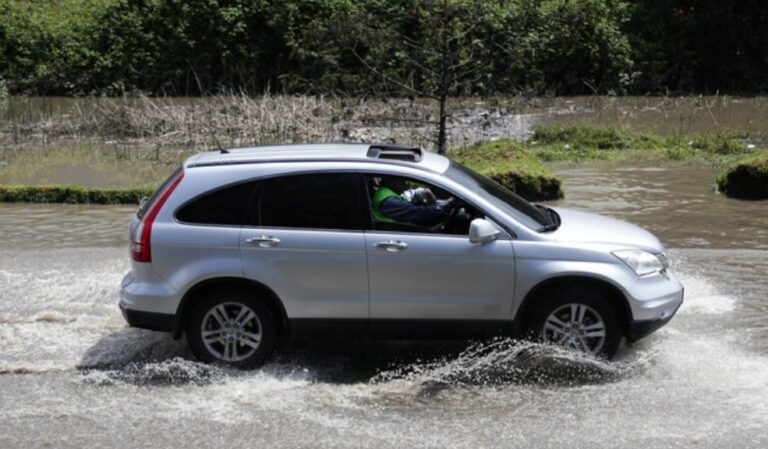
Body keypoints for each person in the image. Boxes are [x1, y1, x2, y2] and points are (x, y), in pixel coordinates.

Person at [372, 176, 453, 226]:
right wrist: (447, 203)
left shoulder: (386, 192)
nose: (405, 184)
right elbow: (417, 213)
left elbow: (408, 195)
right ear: (390, 181)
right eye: (402, 180)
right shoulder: (389, 201)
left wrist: (423, 192)